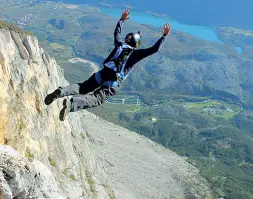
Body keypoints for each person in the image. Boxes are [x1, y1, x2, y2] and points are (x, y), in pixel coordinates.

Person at [44, 9, 171, 121]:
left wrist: (121, 20)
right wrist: (164, 36)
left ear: (128, 38)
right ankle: (71, 104)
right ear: (137, 44)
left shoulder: (119, 45)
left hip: (102, 74)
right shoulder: (135, 54)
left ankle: (62, 91)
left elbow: (117, 33)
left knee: (83, 87)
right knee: (97, 99)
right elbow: (155, 49)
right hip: (112, 83)